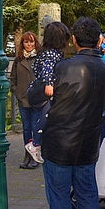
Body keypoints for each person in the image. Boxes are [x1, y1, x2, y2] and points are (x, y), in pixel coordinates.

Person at [29, 17, 105, 209]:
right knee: (87, 199)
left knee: (60, 200)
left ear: (74, 40)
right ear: (98, 41)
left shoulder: (63, 67)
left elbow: (35, 96)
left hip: (60, 143)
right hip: (88, 144)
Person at [24, 21, 69, 166]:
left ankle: (37, 144)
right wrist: (49, 84)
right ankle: (35, 144)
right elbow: (48, 69)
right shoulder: (51, 54)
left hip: (38, 90)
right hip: (44, 91)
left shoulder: (46, 52)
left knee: (43, 117)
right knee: (45, 117)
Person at [10, 31, 39, 169]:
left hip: (37, 99)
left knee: (35, 127)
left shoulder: (39, 58)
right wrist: (17, 92)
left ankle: (35, 155)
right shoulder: (18, 60)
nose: (29, 44)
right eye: (26, 42)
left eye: (31, 41)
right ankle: (27, 154)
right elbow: (13, 79)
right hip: (23, 99)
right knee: (26, 128)